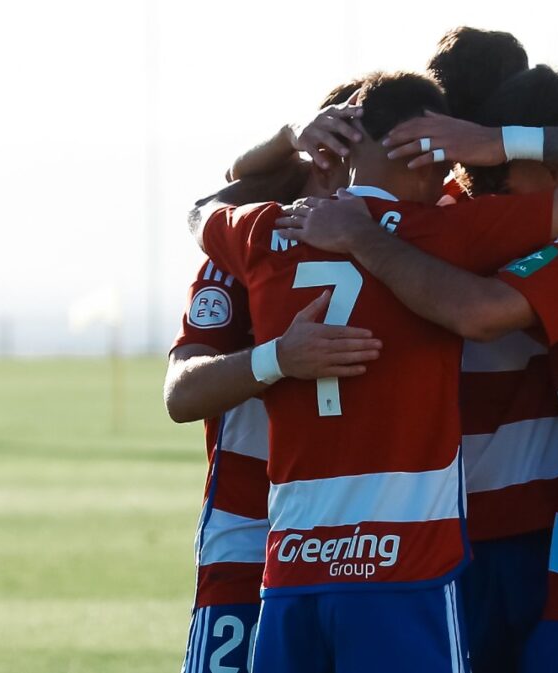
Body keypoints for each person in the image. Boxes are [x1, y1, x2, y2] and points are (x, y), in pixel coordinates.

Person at [192, 68, 558, 673]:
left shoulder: (270, 230)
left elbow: (477, 311)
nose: (482, 191)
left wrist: (348, 218)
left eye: (499, 180)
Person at [166, 82, 382, 673]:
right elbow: (181, 393)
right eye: (331, 161)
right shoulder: (241, 250)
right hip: (248, 531)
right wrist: (277, 359)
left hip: (366, 542)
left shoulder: (403, 244)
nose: (343, 185)